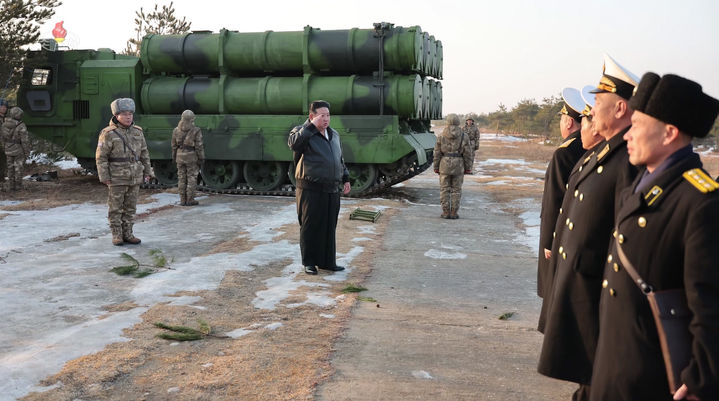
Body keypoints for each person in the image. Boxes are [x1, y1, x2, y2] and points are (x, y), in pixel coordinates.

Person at [590, 73, 719, 401]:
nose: (628, 135)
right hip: (616, 364)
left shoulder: (700, 200)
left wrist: (702, 378)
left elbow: (709, 301)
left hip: (654, 378)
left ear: (670, 133)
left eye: (638, 125)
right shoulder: (641, 184)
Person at [538, 54, 640, 401]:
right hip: (584, 294)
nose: (591, 111)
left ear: (621, 108)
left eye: (598, 102)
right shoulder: (600, 155)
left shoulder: (626, 161)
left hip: (599, 299)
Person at [288, 100, 351, 275]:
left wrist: (345, 178)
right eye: (321, 115)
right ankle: (309, 262)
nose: (326, 119)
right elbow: (294, 144)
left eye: (328, 115)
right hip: (310, 188)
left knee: (330, 225)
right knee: (310, 226)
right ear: (312, 116)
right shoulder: (301, 132)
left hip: (331, 188)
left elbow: (339, 159)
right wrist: (310, 127)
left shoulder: (334, 135)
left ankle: (327, 261)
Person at [537, 88, 586, 302]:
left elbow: (554, 200)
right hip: (574, 233)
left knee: (554, 289)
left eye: (562, 119)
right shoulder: (590, 147)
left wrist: (549, 240)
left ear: (568, 122)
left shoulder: (565, 152)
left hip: (559, 233)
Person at [95, 98, 154, 246]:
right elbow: (101, 157)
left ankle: (128, 233)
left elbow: (144, 153)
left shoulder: (138, 132)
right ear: (116, 115)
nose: (128, 117)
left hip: (134, 175)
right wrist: (104, 176)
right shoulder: (108, 133)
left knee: (130, 207)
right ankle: (117, 234)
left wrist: (148, 171)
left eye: (130, 114)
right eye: (124, 114)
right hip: (117, 176)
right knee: (115, 207)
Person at [433, 113, 473, 219]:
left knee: (444, 189)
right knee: (456, 189)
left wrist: (436, 167)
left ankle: (445, 212)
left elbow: (437, 153)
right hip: (458, 165)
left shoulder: (441, 136)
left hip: (444, 164)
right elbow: (468, 154)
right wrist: (468, 167)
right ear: (458, 122)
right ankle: (454, 212)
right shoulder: (464, 136)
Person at [171, 110, 205, 206]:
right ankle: (190, 200)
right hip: (191, 157)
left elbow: (173, 146)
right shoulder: (196, 130)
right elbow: (199, 146)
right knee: (191, 178)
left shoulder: (176, 130)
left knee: (181, 178)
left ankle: (182, 200)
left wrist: (174, 157)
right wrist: (201, 158)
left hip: (179, 156)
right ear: (191, 119)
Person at [1, 106, 30, 191]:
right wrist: (27, 152)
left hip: (8, 149)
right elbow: (25, 141)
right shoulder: (21, 125)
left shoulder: (4, 124)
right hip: (18, 150)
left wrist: (5, 147)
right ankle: (18, 186)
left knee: (10, 168)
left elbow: (2, 138)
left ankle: (11, 186)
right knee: (18, 168)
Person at [0, 98, 8, 184]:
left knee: (3, 161)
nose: (4, 108)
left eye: (5, 107)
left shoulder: (5, 119)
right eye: (2, 106)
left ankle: (1, 177)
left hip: (4, 144)